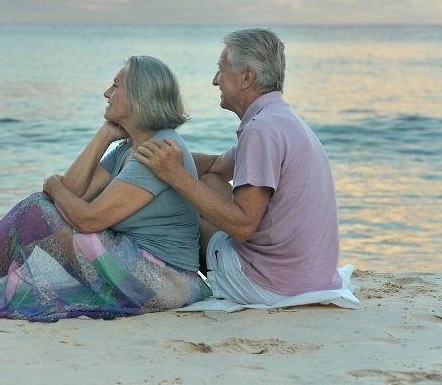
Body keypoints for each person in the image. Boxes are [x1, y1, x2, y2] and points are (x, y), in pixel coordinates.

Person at [0, 55, 208, 321]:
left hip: (164, 281)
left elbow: (88, 219)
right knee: (39, 221)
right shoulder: (130, 146)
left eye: (115, 86)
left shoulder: (159, 150)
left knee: (36, 211)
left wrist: (52, 183)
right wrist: (104, 135)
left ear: (138, 96)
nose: (106, 93)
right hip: (136, 266)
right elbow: (74, 193)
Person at [136, 28, 342, 306]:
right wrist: (147, 151)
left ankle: (134, 275)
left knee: (176, 221)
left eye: (221, 70)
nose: (214, 80)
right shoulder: (280, 119)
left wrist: (176, 176)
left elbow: (243, 225)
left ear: (247, 77)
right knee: (209, 179)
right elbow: (217, 166)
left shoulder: (262, 130)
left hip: (269, 285)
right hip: (308, 278)